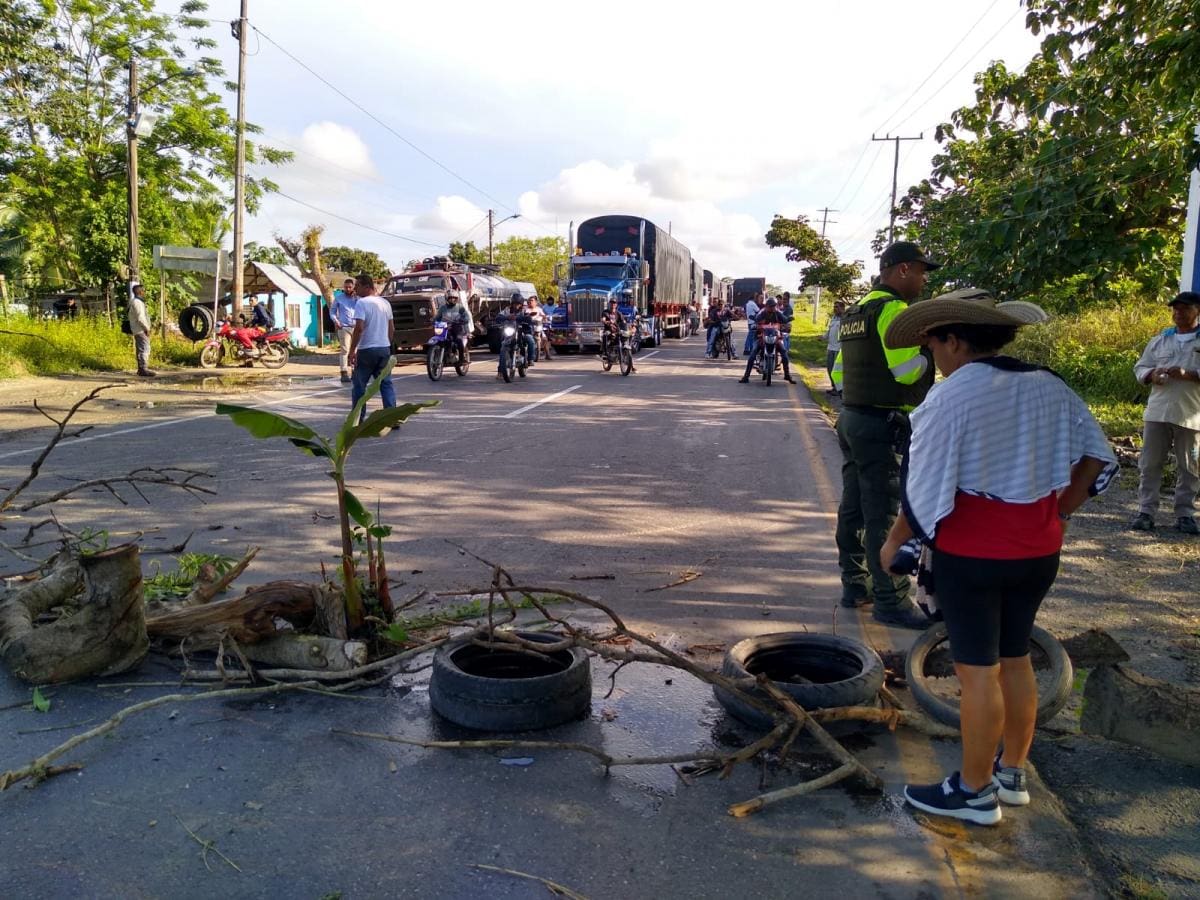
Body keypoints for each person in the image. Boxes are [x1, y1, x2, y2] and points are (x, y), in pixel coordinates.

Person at [878, 287, 1116, 825]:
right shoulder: (1051, 387)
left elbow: (925, 487)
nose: (932, 356)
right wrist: (1063, 511)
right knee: (1015, 658)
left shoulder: (951, 396)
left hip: (974, 554)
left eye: (933, 344)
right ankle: (1012, 773)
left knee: (977, 670)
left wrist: (895, 543)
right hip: (1038, 549)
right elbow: (1097, 457)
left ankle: (973, 791)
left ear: (956, 341)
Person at [831, 241, 939, 629]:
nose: (925, 280)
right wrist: (930, 350)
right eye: (922, 271)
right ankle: (890, 600)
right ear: (902, 270)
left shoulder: (857, 312)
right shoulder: (893, 310)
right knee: (883, 511)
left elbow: (839, 373)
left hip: (852, 418)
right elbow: (907, 371)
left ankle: (854, 586)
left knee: (854, 506)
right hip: (880, 424)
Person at [1129, 291, 1200, 535]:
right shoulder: (1160, 340)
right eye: (1175, 308)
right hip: (1157, 413)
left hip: (1191, 415)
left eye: (1184, 308)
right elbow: (1141, 366)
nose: (1178, 313)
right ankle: (1146, 512)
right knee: (1150, 464)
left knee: (1190, 466)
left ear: (1197, 311)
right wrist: (1152, 375)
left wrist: (1188, 374)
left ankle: (1185, 515)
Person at [347, 273, 396, 422]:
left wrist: (351, 351)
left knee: (360, 385)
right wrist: (386, 344)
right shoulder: (385, 303)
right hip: (383, 348)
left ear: (367, 287)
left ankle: (357, 418)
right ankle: (392, 418)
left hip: (367, 349)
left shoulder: (362, 303)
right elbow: (392, 328)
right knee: (385, 383)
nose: (355, 289)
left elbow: (359, 328)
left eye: (358, 286)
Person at [738, 297, 796, 383]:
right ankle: (746, 376)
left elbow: (784, 319)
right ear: (766, 306)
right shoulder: (762, 313)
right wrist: (755, 325)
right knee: (753, 353)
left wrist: (787, 322)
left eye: (773, 306)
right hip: (761, 337)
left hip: (775, 338)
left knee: (784, 352)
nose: (772, 308)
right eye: (770, 306)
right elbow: (756, 319)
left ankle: (787, 375)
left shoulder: (778, 313)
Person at [496, 294, 536, 380]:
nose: (516, 305)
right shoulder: (506, 310)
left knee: (530, 339)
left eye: (518, 304)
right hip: (510, 332)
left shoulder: (524, 311)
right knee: (503, 347)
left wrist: (528, 318)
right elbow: (499, 316)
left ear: (521, 304)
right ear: (511, 303)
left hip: (522, 331)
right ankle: (500, 370)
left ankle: (530, 359)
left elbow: (529, 318)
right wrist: (506, 317)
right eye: (514, 303)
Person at [329, 278, 358, 383]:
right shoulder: (339, 298)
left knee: (355, 350)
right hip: (344, 327)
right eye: (346, 287)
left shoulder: (357, 298)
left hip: (356, 327)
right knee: (345, 350)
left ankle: (355, 371)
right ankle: (344, 372)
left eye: (350, 287)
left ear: (353, 287)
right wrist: (336, 321)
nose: (348, 289)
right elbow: (332, 311)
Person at [127, 282, 155, 377]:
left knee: (141, 349)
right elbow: (140, 318)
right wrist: (146, 328)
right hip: (140, 329)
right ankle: (143, 369)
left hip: (137, 329)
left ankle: (141, 368)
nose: (144, 292)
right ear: (140, 292)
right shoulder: (137, 303)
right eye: (143, 291)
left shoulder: (135, 301)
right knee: (145, 348)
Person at [601, 298, 636, 372]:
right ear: (610, 304)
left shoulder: (618, 313)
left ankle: (631, 366)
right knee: (605, 334)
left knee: (627, 342)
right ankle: (605, 353)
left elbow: (624, 322)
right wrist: (606, 321)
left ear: (616, 304)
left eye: (615, 303)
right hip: (609, 330)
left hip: (617, 331)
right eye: (612, 303)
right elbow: (603, 319)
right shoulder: (605, 312)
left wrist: (631, 326)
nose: (613, 304)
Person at [826, 301, 846, 395]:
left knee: (836, 370)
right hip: (830, 347)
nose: (835, 308)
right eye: (834, 307)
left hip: (839, 348)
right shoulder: (833, 318)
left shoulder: (845, 319)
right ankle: (834, 387)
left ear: (842, 308)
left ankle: (839, 389)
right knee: (829, 368)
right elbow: (829, 331)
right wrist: (822, 337)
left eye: (837, 307)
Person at [527, 296, 552, 361]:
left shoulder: (539, 309)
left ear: (536, 302)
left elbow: (544, 316)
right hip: (528, 327)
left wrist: (545, 318)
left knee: (545, 339)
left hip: (538, 327)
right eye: (529, 301)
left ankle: (547, 355)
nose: (530, 302)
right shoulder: (526, 309)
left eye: (532, 300)